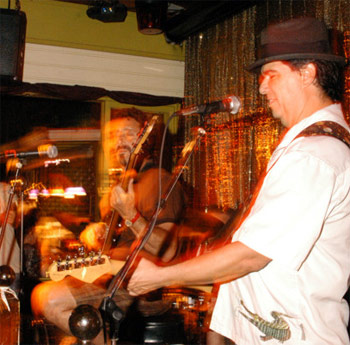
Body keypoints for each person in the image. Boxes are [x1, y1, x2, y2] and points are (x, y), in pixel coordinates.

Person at [127, 17, 350, 345]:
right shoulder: (310, 147)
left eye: (271, 74)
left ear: (308, 72)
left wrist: (160, 275)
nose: (261, 87)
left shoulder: (313, 156)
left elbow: (251, 256)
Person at [31, 107, 185, 344]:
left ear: (146, 139)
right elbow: (114, 241)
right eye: (113, 136)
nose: (119, 141)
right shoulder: (116, 191)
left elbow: (165, 249)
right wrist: (96, 233)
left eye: (127, 133)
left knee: (47, 298)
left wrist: (131, 215)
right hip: (110, 276)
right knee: (69, 337)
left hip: (139, 285)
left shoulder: (160, 181)